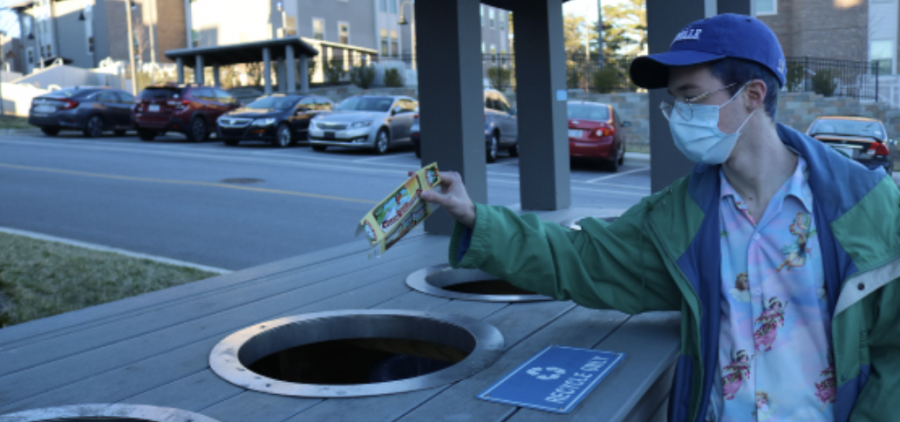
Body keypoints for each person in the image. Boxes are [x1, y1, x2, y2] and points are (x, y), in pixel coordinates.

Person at [419, 14, 900, 422]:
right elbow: (581, 259)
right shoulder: (676, 217)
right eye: (674, 101)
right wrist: (476, 217)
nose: (677, 116)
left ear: (753, 95)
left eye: (691, 97)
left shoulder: (868, 206)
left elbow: (894, 352)